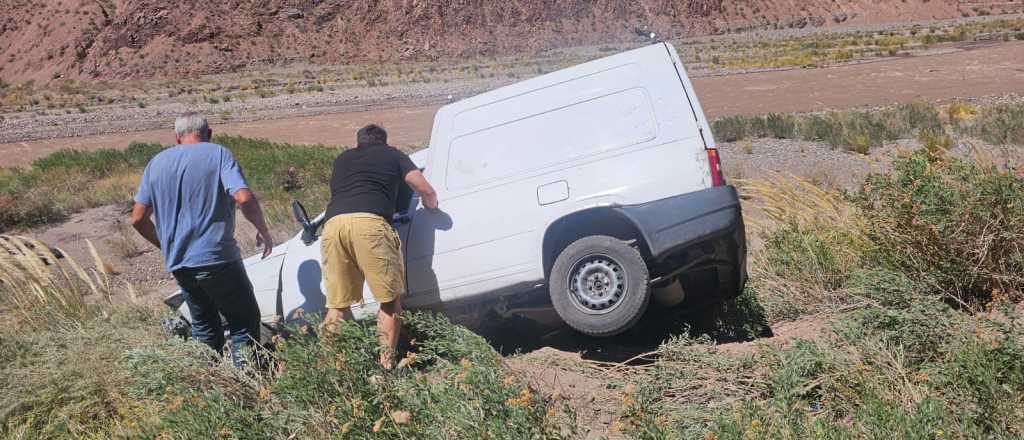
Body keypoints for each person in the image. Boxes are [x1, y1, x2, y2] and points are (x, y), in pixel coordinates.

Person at [130, 112, 274, 368]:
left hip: (181, 264)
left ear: (177, 138)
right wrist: (263, 230)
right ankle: (248, 387)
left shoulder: (156, 163)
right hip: (217, 258)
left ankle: (207, 386)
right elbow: (243, 198)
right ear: (209, 133)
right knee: (244, 323)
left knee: (205, 327)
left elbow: (138, 219)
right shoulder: (218, 154)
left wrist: (166, 246)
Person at [321, 124, 438, 369]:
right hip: (370, 224)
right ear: (384, 141)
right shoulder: (393, 155)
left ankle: (333, 371)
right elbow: (422, 187)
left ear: (358, 142)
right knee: (389, 300)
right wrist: (431, 203)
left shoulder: (342, 160)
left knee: (337, 306)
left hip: (333, 227)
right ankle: (385, 367)